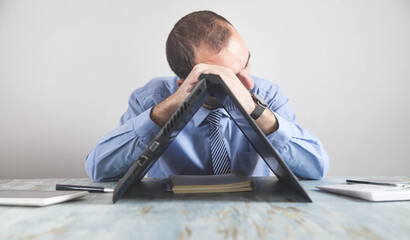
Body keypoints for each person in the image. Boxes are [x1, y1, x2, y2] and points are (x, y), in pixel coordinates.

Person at [85, 10, 329, 182]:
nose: (248, 82)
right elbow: (99, 170)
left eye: (246, 63)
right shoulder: (151, 98)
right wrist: (167, 110)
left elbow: (316, 167)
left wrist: (256, 112)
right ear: (185, 82)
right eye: (228, 76)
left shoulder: (265, 94)